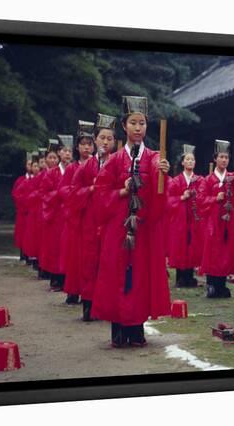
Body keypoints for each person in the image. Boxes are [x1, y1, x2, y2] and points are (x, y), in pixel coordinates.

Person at [91, 96, 171, 347]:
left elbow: (160, 192)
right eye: (134, 123)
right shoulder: (115, 161)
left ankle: (137, 329)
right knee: (117, 277)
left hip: (143, 230)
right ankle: (118, 330)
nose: (139, 128)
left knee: (140, 278)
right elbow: (101, 196)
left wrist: (162, 171)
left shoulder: (153, 157)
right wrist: (123, 191)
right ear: (124, 126)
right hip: (118, 229)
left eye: (143, 123)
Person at [70, 113, 117, 320]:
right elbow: (73, 191)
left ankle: (106, 306)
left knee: (108, 264)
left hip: (109, 220)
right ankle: (88, 305)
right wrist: (89, 190)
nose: (105, 142)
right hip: (90, 220)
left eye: (109, 138)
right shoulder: (86, 166)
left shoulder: (117, 163)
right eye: (102, 138)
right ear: (96, 139)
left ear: (114, 142)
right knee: (89, 262)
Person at [197, 140, 234, 298]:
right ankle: (211, 283)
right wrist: (215, 198)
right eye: (221, 157)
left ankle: (221, 284)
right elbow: (200, 200)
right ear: (215, 159)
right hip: (213, 222)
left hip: (228, 221)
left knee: (226, 252)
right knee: (213, 252)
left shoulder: (232, 177)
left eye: (226, 157)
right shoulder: (208, 180)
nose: (224, 160)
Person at [62, 121, 96, 305]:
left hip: (93, 217)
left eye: (90, 144)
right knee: (76, 257)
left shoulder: (98, 165)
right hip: (77, 217)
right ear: (77, 146)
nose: (87, 147)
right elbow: (65, 191)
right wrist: (85, 193)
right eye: (83, 144)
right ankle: (74, 290)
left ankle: (90, 294)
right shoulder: (72, 168)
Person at [38, 135, 73, 291]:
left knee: (68, 249)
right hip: (56, 215)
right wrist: (59, 194)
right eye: (64, 151)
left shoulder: (74, 170)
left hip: (70, 214)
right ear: (59, 153)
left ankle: (67, 279)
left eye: (69, 151)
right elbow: (44, 194)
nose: (67, 154)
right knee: (55, 248)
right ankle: (55, 279)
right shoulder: (51, 173)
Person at [167, 144, 204, 287]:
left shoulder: (199, 180)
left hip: (193, 219)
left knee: (192, 245)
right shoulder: (176, 181)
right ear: (183, 162)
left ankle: (190, 276)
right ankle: (180, 277)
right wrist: (182, 198)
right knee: (180, 245)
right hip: (179, 220)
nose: (190, 162)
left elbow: (203, 196)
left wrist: (196, 196)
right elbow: (169, 201)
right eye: (187, 159)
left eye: (192, 160)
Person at [11, 156, 34, 261]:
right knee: (22, 233)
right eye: (29, 164)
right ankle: (22, 254)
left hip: (32, 211)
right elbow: (16, 195)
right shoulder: (20, 180)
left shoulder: (37, 179)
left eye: (32, 164)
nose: (31, 167)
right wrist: (25, 204)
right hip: (23, 212)